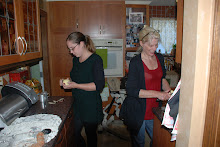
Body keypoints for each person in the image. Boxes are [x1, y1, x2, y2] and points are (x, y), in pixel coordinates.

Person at [123, 25, 171, 147]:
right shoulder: (136, 62)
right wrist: (158, 94)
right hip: (139, 110)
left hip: (155, 109)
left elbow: (161, 78)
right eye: (151, 45)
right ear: (141, 43)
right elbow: (131, 90)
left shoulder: (159, 58)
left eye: (156, 45)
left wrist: (169, 92)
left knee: (158, 140)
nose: (154, 48)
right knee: (139, 143)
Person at [59, 32, 105, 147]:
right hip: (77, 104)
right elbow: (77, 78)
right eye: (69, 49)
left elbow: (98, 85)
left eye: (72, 48)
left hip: (91, 106)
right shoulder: (75, 60)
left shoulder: (95, 60)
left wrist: (75, 85)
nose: (71, 52)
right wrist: (66, 81)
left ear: (82, 44)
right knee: (73, 133)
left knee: (91, 137)